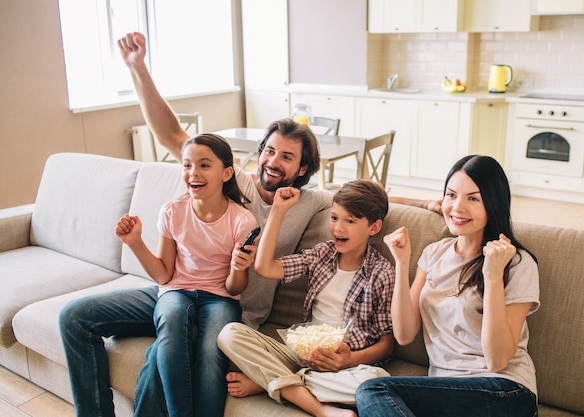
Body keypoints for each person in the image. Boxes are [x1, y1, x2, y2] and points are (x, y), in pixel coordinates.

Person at [59, 31, 437, 417]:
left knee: (164, 350)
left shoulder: (311, 204)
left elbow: (360, 197)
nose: (274, 161)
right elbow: (173, 136)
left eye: (287, 157)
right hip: (176, 288)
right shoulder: (232, 181)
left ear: (303, 169)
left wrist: (428, 200)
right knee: (77, 317)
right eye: (270, 151)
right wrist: (137, 67)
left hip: (229, 307)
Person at [355, 155, 541, 417]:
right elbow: (405, 334)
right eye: (451, 195)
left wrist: (492, 276)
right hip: (446, 394)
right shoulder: (434, 254)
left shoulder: (517, 263)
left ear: (494, 202)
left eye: (473, 198)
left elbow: (498, 360)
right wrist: (401, 262)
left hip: (504, 391)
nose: (457, 207)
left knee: (373, 392)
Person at [217, 180, 395, 417]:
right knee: (229, 334)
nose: (338, 228)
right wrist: (279, 211)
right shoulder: (322, 254)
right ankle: (319, 408)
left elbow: (387, 343)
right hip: (301, 355)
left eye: (350, 221)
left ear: (374, 227)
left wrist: (348, 360)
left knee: (376, 383)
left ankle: (268, 382)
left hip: (348, 366)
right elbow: (265, 268)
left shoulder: (382, 273)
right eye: (334, 218)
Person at [114, 134, 257, 417]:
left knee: (210, 352)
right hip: (176, 291)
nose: (193, 173)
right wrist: (135, 242)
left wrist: (238, 267)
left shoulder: (242, 220)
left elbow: (234, 287)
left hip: (220, 298)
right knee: (171, 318)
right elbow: (164, 275)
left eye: (204, 165)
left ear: (226, 173)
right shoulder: (172, 211)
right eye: (187, 165)